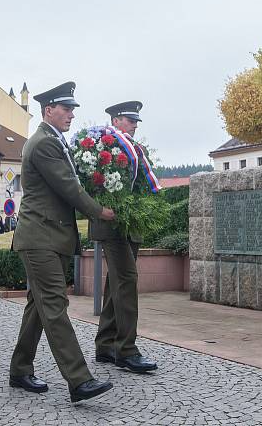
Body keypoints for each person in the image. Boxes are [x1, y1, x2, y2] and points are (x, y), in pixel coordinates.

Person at [9, 82, 116, 404]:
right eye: (66, 109)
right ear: (48, 111)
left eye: (72, 110)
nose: (71, 114)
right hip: (40, 237)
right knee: (54, 305)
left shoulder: (54, 140)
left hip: (49, 236)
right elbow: (68, 187)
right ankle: (79, 379)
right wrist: (100, 211)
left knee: (38, 307)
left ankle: (19, 369)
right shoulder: (43, 143)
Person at [90, 101, 159, 374]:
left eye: (136, 121)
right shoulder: (102, 145)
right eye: (131, 120)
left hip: (130, 225)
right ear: (116, 120)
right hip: (112, 225)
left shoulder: (132, 147)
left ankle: (106, 345)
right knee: (127, 280)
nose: (135, 125)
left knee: (115, 284)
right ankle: (126, 350)